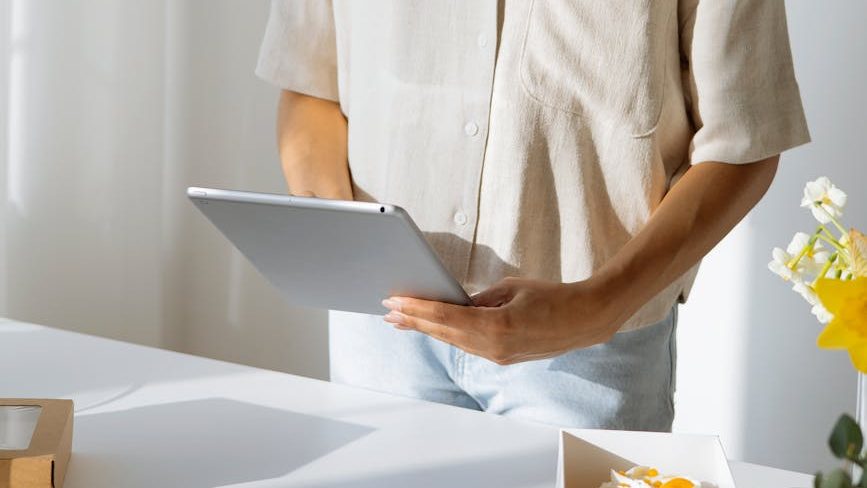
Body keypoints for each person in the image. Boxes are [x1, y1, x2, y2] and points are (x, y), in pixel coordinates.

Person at [255, 1, 809, 431]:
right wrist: (345, 246)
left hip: (589, 354)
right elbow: (309, 83)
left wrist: (598, 307)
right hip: (379, 330)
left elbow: (744, 140)